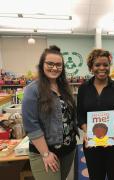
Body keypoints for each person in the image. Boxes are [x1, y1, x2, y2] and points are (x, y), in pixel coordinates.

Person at [22, 45, 78, 180]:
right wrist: (46, 154)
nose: (54, 68)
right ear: (42, 65)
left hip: (68, 150)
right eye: (50, 64)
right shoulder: (33, 90)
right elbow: (31, 125)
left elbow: (70, 117)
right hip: (46, 152)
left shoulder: (65, 88)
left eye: (59, 65)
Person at [77, 49, 114, 180]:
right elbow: (80, 115)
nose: (102, 68)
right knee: (96, 176)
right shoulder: (84, 88)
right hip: (92, 143)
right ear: (91, 67)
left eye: (105, 65)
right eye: (97, 65)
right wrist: (87, 130)